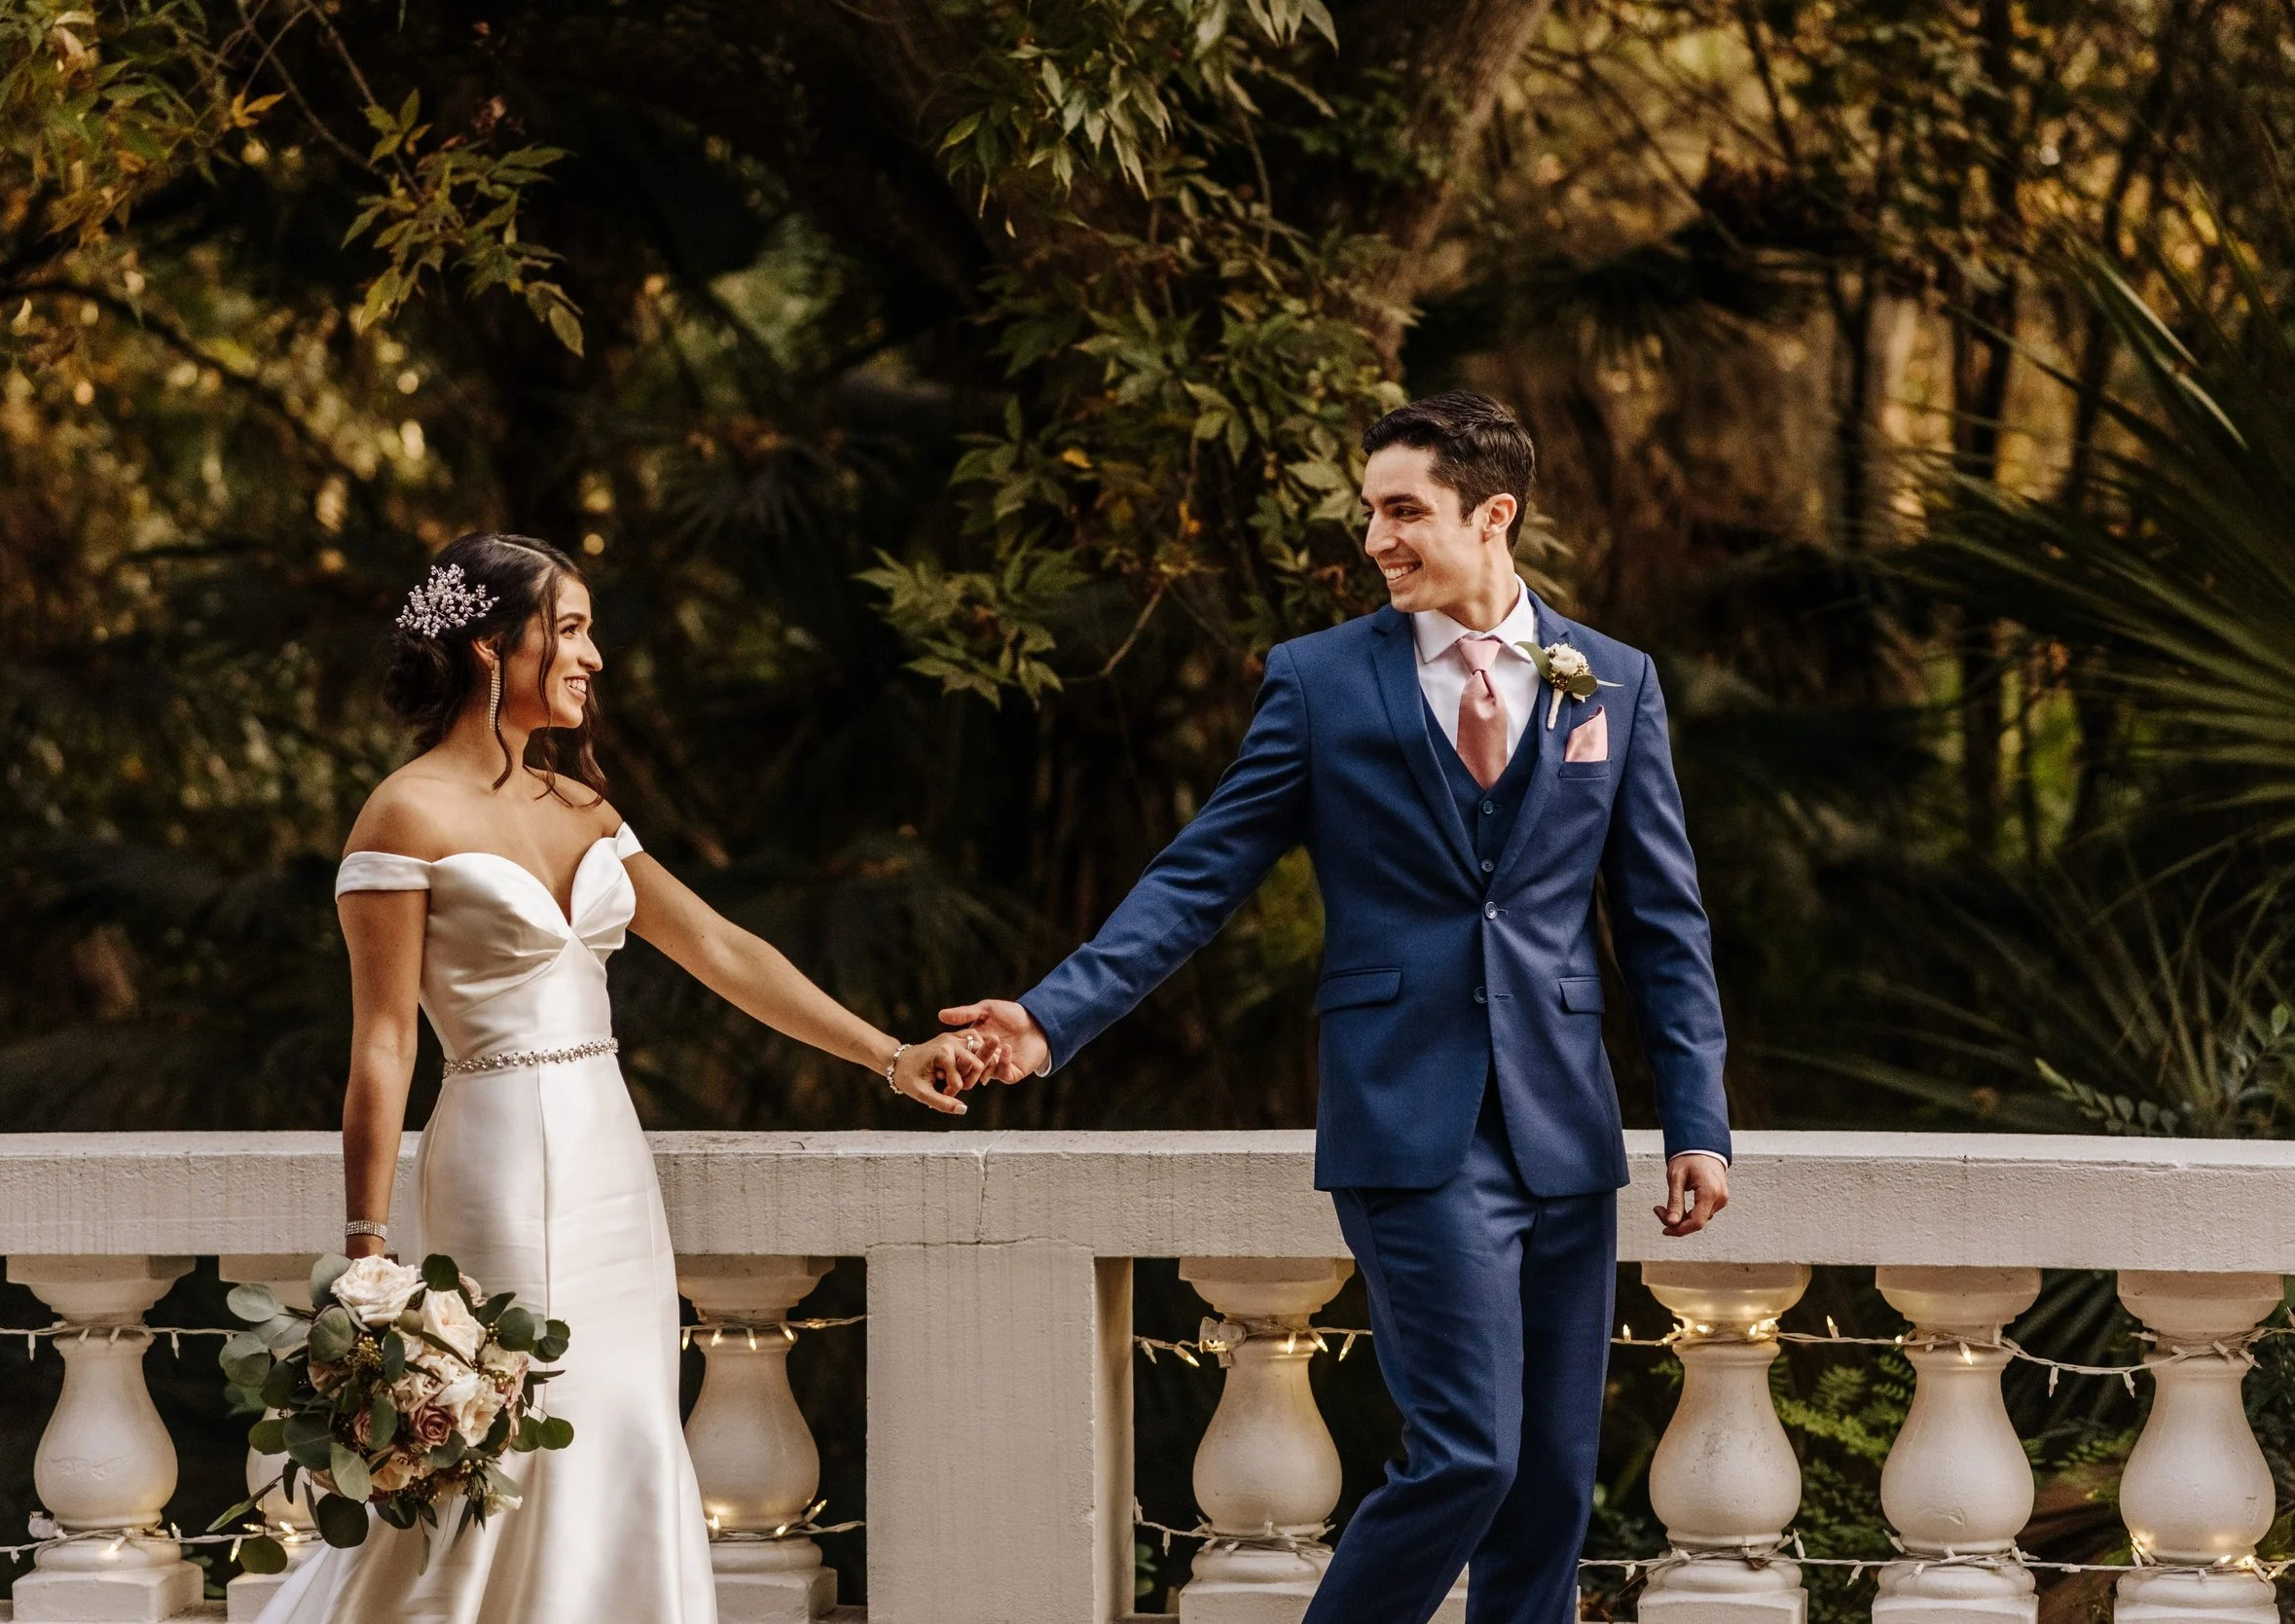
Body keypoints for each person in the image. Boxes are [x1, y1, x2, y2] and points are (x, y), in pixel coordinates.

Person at [944, 393, 1733, 1624]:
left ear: (1494, 514)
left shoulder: (1610, 681)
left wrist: (1697, 1120)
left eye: (1403, 511)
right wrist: (1049, 1018)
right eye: (1369, 512)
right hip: (1407, 1118)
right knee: (1468, 1452)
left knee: (1548, 1486)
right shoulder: (1319, 681)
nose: (1374, 539)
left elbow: (1662, 920)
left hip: (1564, 1126)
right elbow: (1200, 875)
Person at [259, 532, 985, 1624]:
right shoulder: (403, 813)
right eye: (570, 629)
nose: (594, 656)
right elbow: (382, 1043)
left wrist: (890, 1054)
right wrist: (367, 1254)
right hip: (496, 1159)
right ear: (489, 644)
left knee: (622, 1420)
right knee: (502, 1433)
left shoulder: (584, 808)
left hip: (610, 1160)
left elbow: (724, 950)